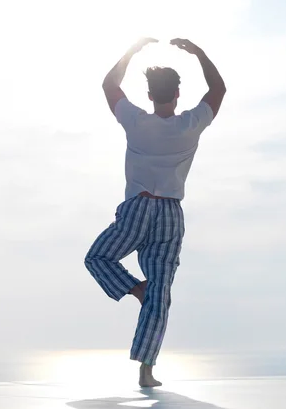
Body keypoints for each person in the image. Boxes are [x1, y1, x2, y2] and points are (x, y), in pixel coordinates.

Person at [84, 37, 226, 387]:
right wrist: (199, 53)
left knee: (98, 258)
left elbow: (108, 85)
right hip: (170, 216)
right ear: (178, 95)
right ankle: (146, 370)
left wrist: (132, 52)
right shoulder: (191, 123)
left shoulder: (136, 121)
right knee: (161, 295)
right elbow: (218, 88)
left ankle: (137, 290)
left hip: (137, 209)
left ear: (149, 96)